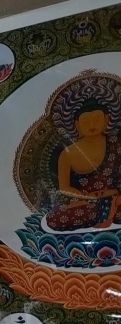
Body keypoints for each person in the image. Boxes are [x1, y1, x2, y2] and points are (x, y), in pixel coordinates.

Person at [46, 96, 121, 232]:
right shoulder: (68, 153)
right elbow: (64, 187)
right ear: (77, 125)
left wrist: (113, 194)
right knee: (54, 218)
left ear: (106, 120)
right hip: (86, 202)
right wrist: (87, 197)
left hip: (115, 197)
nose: (92, 125)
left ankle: (109, 208)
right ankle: (107, 210)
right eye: (86, 122)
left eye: (97, 120)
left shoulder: (117, 144)